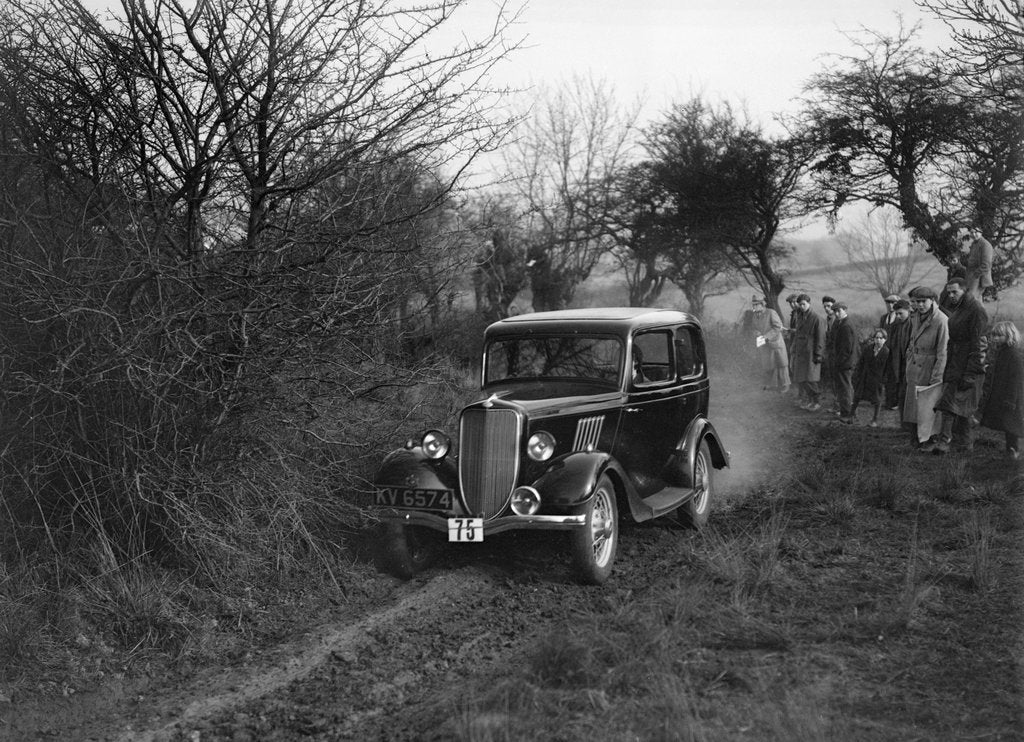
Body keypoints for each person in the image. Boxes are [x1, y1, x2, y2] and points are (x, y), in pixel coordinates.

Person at [930, 277, 988, 454]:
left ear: (965, 290)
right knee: (956, 405)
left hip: (969, 364)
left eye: (954, 292)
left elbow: (980, 344)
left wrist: (971, 373)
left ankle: (946, 441)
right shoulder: (959, 308)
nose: (951, 295)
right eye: (949, 292)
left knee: (954, 404)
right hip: (956, 361)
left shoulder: (976, 310)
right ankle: (962, 444)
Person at [901, 286, 949, 448]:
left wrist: (937, 377)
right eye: (917, 301)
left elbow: (943, 352)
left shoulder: (941, 320)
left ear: (932, 301)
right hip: (914, 367)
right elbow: (912, 341)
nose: (920, 305)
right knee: (913, 406)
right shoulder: (915, 317)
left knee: (927, 407)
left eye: (923, 301)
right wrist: (909, 358)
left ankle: (929, 440)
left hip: (929, 368)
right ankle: (914, 439)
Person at [978, 321, 1024, 460]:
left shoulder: (1013, 355)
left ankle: (1013, 450)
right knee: (1007, 423)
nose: (995, 338)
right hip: (1002, 394)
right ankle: (1010, 450)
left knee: (1012, 424)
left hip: (1011, 396)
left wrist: (1011, 400)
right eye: (994, 335)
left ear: (1009, 336)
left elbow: (1016, 379)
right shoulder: (1002, 352)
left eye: (999, 336)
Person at [790, 294, 826, 411]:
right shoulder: (800, 316)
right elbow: (797, 335)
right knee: (803, 379)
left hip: (811, 354)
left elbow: (821, 338)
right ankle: (811, 401)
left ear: (809, 304)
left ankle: (817, 401)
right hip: (801, 353)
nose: (802, 306)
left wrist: (818, 354)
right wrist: (793, 349)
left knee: (810, 379)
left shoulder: (817, 318)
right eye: (800, 304)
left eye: (804, 304)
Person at [750, 296, 790, 393]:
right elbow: (754, 327)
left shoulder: (771, 312)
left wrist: (766, 337)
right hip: (764, 344)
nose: (754, 307)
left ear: (762, 304)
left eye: (756, 304)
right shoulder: (755, 315)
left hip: (775, 343)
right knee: (769, 364)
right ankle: (772, 385)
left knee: (781, 364)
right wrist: (756, 332)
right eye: (753, 304)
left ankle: (785, 385)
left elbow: (778, 327)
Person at [852, 328, 891, 427]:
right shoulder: (868, 349)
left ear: (885, 339)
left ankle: (875, 420)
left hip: (877, 379)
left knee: (877, 400)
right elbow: (861, 362)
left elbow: (888, 368)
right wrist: (858, 374)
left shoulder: (886, 352)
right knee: (857, 396)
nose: (878, 340)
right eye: (876, 338)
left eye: (881, 338)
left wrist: (884, 380)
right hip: (865, 377)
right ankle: (851, 415)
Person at [883, 299, 913, 411]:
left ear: (908, 311)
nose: (898, 316)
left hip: (908, 360)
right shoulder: (897, 325)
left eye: (901, 313)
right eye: (896, 314)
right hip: (897, 359)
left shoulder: (912, 324)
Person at [832, 302, 858, 423]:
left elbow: (846, 349)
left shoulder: (846, 326)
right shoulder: (842, 323)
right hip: (845, 361)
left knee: (845, 388)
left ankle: (847, 414)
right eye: (835, 311)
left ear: (845, 310)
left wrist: (839, 362)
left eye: (839, 311)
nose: (837, 314)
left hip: (845, 363)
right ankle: (848, 412)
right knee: (846, 387)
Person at [962, 226, 994, 300]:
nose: (974, 234)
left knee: (971, 299)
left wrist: (975, 275)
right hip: (971, 276)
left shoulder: (985, 245)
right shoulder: (974, 244)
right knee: (976, 300)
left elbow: (986, 265)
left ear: (981, 232)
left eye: (976, 232)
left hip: (979, 277)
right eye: (972, 232)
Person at [821, 296, 837, 410]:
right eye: (825, 306)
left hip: (837, 353)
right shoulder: (827, 319)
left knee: (838, 381)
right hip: (830, 353)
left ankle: (841, 406)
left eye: (829, 306)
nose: (827, 308)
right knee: (832, 380)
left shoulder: (837, 319)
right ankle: (836, 404)